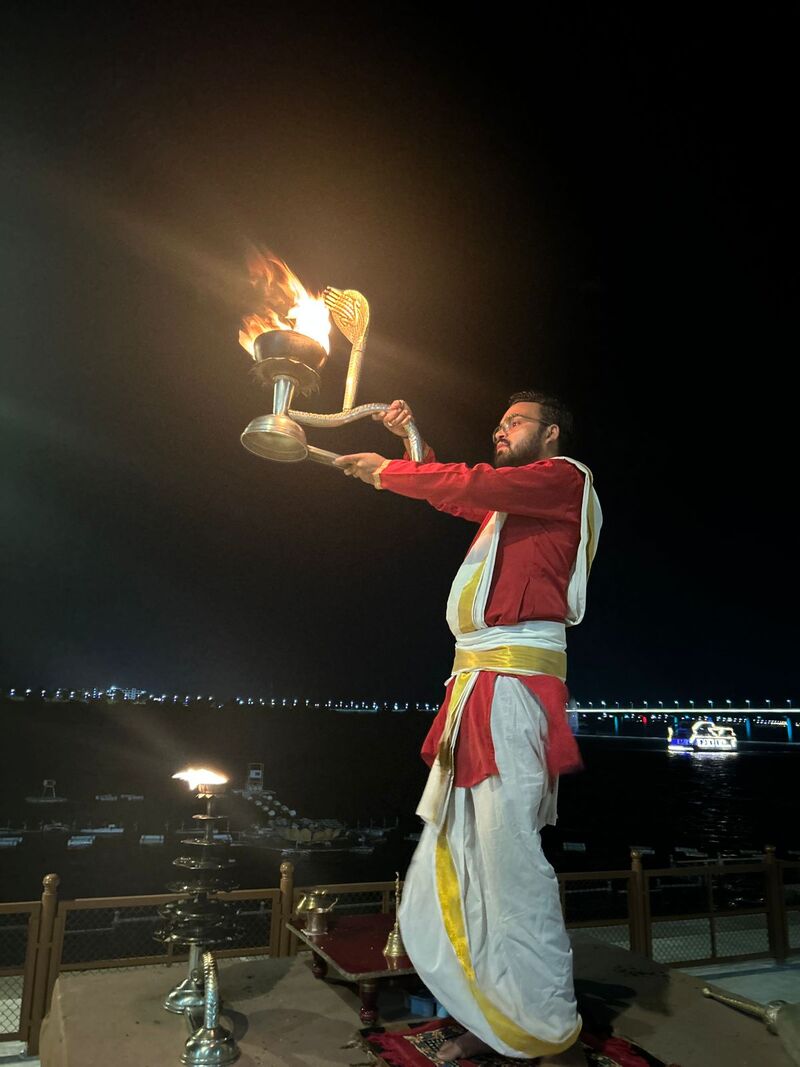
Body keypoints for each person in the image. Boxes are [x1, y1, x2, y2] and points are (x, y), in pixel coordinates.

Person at [334, 393, 602, 1065]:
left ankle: (548, 1026)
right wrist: (410, 441)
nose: (500, 430)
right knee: (471, 854)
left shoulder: (564, 478)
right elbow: (458, 496)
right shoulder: (515, 505)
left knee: (509, 859)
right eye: (500, 422)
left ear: (553, 431)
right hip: (479, 687)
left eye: (516, 421)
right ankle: (494, 1013)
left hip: (511, 685)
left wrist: (386, 471)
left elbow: (471, 483)